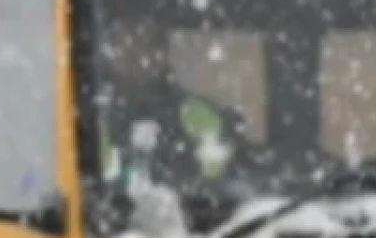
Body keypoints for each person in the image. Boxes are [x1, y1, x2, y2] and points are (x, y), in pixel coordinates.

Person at [97, 19, 259, 190]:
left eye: (145, 45)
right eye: (123, 48)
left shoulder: (203, 115)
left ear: (162, 55)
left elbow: (231, 192)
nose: (135, 57)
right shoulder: (87, 121)